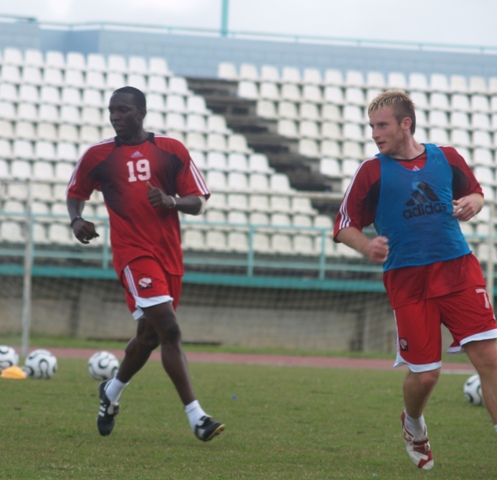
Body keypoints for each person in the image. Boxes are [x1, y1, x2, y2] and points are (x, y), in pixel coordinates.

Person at [334, 90, 497, 470]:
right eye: (372, 126)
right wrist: (366, 245)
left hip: (458, 270)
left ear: (406, 124)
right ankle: (413, 423)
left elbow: (473, 192)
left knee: (491, 359)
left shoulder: (447, 157)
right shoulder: (371, 171)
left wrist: (475, 200)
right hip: (408, 281)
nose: (375, 133)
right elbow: (343, 226)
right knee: (425, 377)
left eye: (382, 125)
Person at [66, 86, 224, 442]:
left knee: (149, 337)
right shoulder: (98, 155)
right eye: (111, 111)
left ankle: (111, 392)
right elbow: (75, 193)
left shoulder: (170, 150)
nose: (115, 116)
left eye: (123, 110)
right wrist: (77, 220)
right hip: (132, 254)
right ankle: (197, 417)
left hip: (169, 254)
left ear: (141, 111)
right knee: (170, 329)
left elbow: (197, 202)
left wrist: (170, 200)